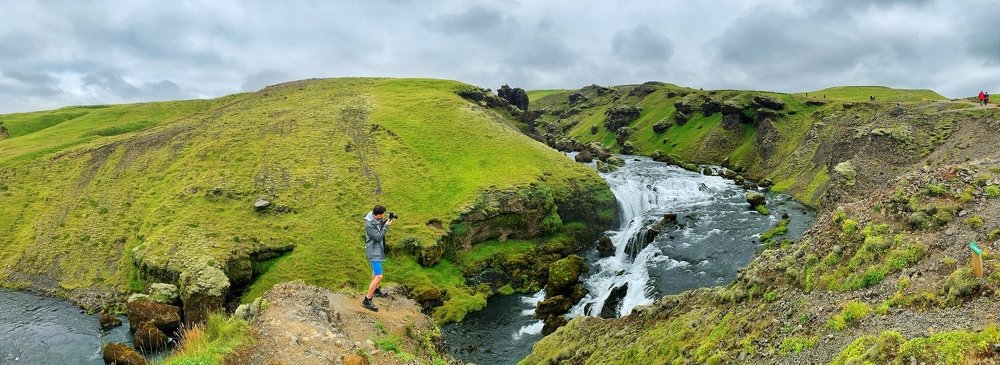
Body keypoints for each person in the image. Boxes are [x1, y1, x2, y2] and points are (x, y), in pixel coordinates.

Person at [361, 205, 395, 311]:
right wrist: (386, 226)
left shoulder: (375, 219)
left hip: (377, 249)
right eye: (383, 214)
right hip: (373, 251)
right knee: (379, 276)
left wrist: (387, 221)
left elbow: (380, 224)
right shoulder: (369, 224)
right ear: (378, 215)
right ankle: (367, 300)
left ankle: (375, 289)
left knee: (375, 272)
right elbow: (378, 236)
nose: (384, 215)